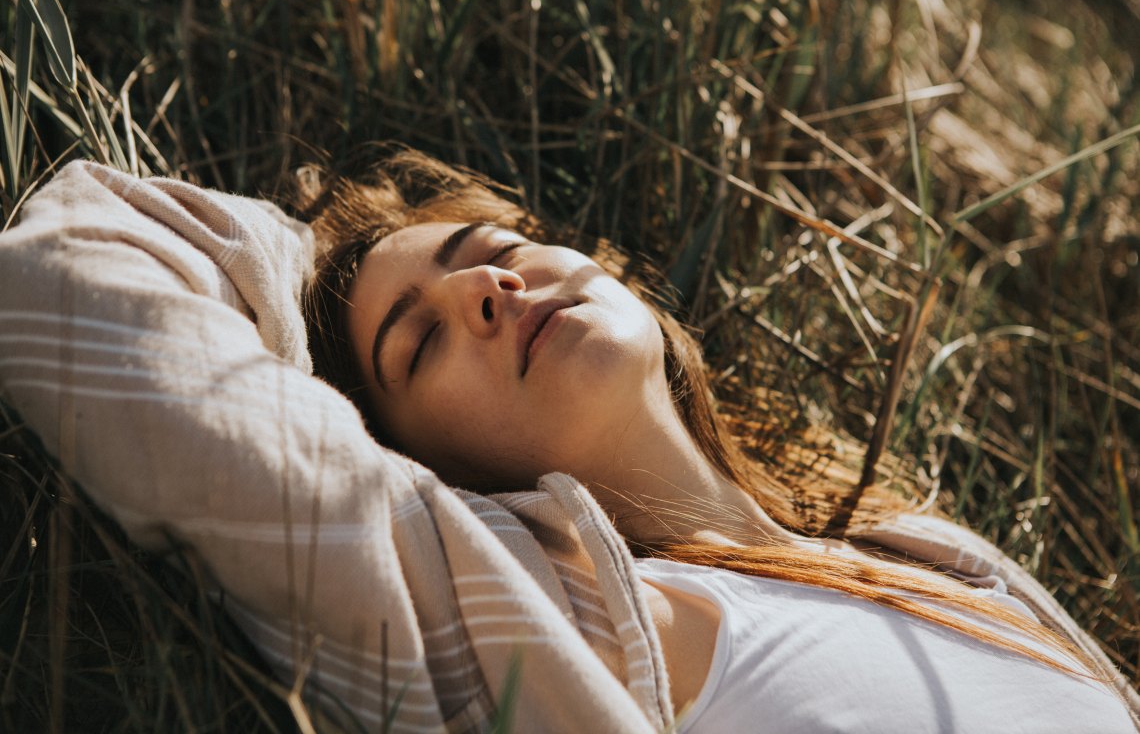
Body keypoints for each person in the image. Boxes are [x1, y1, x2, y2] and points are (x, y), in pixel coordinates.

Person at [0, 156, 1137, 733]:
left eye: (495, 247)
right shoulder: (561, 626)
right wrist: (302, 256)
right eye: (419, 340)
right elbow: (65, 278)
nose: (490, 287)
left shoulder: (928, 553)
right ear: (422, 465)